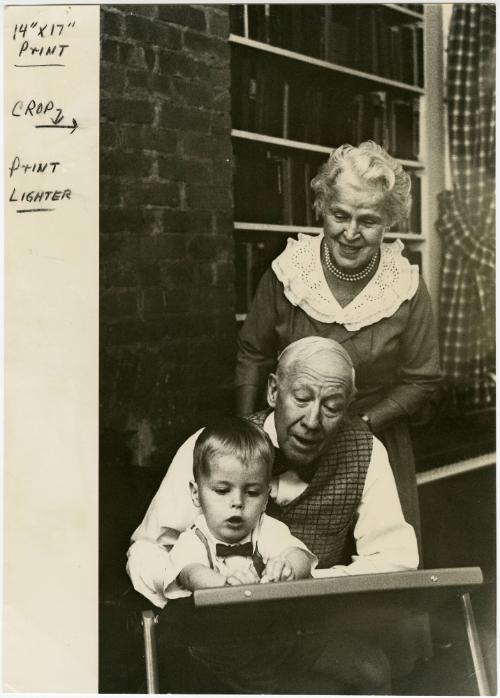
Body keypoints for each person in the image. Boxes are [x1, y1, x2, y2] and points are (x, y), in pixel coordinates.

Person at [128, 337, 418, 693]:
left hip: (302, 631)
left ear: (348, 408)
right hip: (212, 637)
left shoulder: (366, 451)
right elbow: (147, 549)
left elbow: (397, 561)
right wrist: (192, 583)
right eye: (301, 398)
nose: (313, 420)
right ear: (272, 391)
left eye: (331, 405)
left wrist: (303, 581)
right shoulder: (212, 448)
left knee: (371, 669)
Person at [236, 141, 442, 539]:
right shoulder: (288, 272)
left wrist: (362, 424)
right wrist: (249, 436)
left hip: (373, 442)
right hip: (287, 441)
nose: (350, 233)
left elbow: (422, 379)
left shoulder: (406, 287)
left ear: (389, 221)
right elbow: (253, 354)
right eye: (339, 215)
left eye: (368, 220)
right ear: (321, 208)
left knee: (377, 565)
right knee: (277, 560)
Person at [164, 417, 317, 692]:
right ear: (196, 494)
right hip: (214, 657)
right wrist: (225, 586)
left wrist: (288, 567)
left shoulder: (266, 529)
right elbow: (191, 573)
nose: (237, 502)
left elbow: (300, 555)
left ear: (267, 495)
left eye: (253, 492)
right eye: (222, 490)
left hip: (268, 648)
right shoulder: (193, 539)